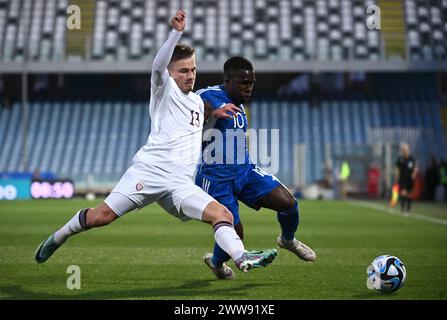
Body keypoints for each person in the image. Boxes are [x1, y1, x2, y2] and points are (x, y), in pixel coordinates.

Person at [34, 11, 277, 273]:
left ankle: (242, 258)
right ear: (170, 74)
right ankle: (59, 236)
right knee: (100, 217)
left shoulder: (197, 100)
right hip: (149, 172)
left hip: (180, 183)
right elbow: (157, 66)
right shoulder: (164, 89)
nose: (190, 75)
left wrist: (213, 116)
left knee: (223, 215)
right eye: (183, 71)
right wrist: (176, 33)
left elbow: (193, 127)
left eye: (193, 69)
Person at [195, 56, 316, 280]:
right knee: (235, 233)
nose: (248, 88)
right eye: (243, 83)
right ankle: (216, 263)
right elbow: (193, 114)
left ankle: (287, 240)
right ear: (228, 80)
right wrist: (210, 113)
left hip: (245, 171)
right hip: (216, 179)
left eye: (251, 83)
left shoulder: (239, 101)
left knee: (288, 203)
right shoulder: (207, 96)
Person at [394, 143, 418, 212]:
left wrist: (414, 174)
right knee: (403, 192)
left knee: (409, 194)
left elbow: (416, 168)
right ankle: (403, 208)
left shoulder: (412, 159)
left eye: (406, 150)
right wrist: (396, 177)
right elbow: (397, 168)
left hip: (410, 179)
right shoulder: (400, 159)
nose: (404, 151)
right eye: (403, 150)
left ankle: (408, 208)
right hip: (402, 179)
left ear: (408, 150)